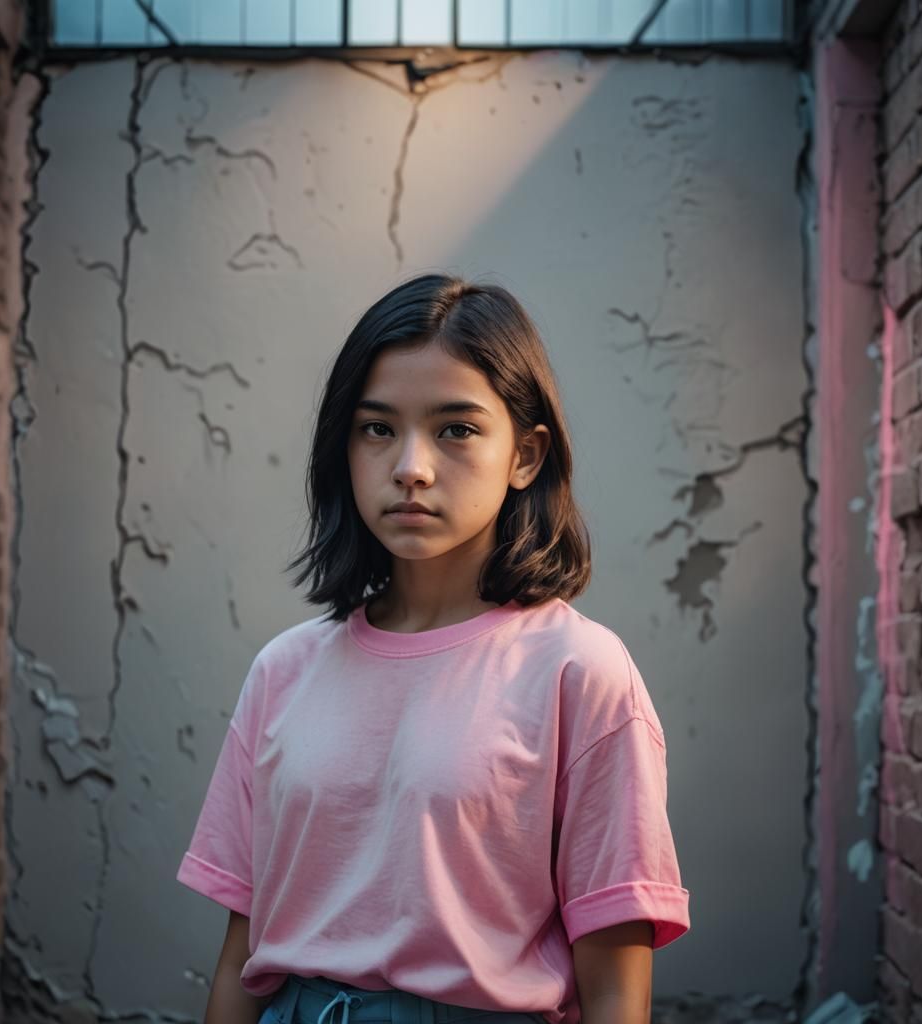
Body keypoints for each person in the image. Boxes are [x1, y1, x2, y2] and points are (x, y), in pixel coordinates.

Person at [176, 273, 691, 1024]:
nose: (410, 466)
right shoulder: (282, 672)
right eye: (377, 428)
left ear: (526, 454)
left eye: (456, 429)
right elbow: (240, 958)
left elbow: (615, 988)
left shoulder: (580, 673)